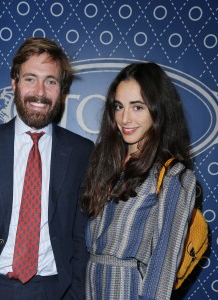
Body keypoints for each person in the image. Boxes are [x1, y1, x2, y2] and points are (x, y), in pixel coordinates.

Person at [0, 37, 94, 300]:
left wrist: (75, 294)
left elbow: (81, 236)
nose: (40, 92)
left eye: (51, 81)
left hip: (53, 290)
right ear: (14, 83)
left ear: (61, 90)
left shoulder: (81, 151)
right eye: (30, 78)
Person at [81, 62, 196, 300]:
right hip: (92, 286)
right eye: (119, 106)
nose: (125, 118)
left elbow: (163, 266)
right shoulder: (106, 164)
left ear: (157, 111)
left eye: (137, 107)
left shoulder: (174, 176)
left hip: (130, 289)